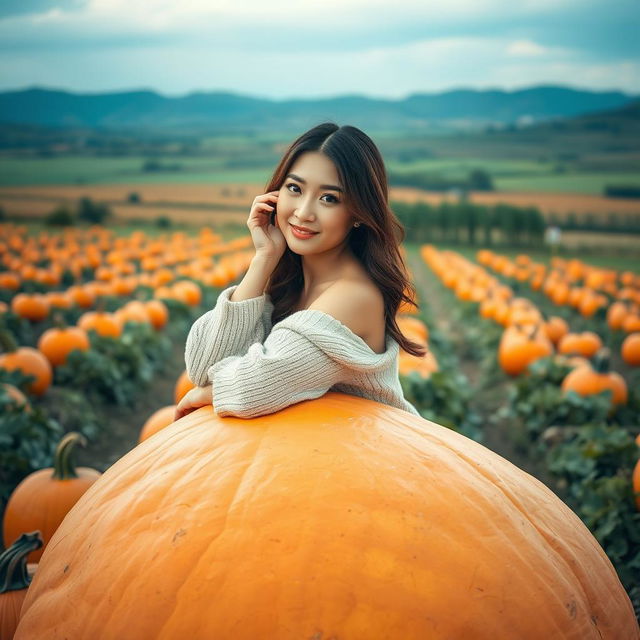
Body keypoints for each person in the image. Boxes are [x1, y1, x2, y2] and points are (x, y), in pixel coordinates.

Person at [175, 122, 425, 420]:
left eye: (329, 198)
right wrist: (264, 259)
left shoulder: (354, 296)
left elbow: (253, 387)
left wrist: (205, 394)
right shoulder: (293, 284)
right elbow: (204, 367)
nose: (304, 212)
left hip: (372, 458)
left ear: (358, 213)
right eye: (295, 188)